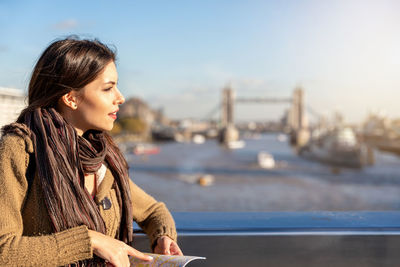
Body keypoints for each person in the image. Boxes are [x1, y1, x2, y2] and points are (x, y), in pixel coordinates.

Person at [0, 37, 182, 266]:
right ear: (71, 98)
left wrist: (163, 236)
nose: (120, 97)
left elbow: (155, 211)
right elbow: (3, 250)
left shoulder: (104, 157)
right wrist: (90, 241)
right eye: (108, 88)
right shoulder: (20, 150)